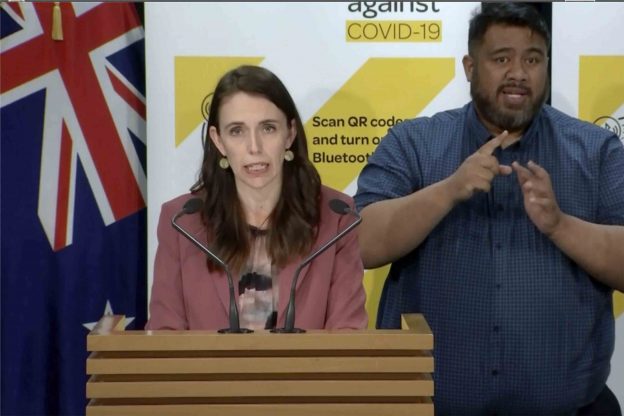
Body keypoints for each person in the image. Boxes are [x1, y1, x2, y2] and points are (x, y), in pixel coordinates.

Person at [354, 3, 624, 415]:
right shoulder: (413, 143)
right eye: (501, 59)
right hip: (427, 407)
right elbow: (360, 243)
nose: (519, 73)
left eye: (532, 59)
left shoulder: (595, 150)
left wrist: (560, 225)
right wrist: (447, 191)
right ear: (469, 67)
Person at [147, 65, 367, 331]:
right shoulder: (182, 222)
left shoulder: (336, 218)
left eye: (268, 128)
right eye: (237, 131)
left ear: (290, 134)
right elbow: (165, 333)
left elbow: (348, 332)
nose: (254, 147)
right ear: (218, 140)